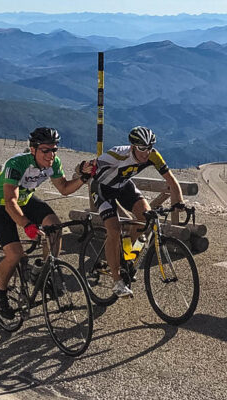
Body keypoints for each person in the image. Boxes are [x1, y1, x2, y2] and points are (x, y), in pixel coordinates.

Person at [0, 126, 88, 319]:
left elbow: (64, 189)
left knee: (55, 228)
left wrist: (83, 178)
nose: (51, 155)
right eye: (45, 150)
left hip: (25, 199)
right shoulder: (16, 164)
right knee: (15, 254)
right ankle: (0, 292)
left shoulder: (53, 163)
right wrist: (27, 225)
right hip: (0, 203)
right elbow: (10, 202)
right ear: (33, 149)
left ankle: (43, 271)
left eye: (54, 149)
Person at [76, 126, 185, 297]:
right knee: (114, 229)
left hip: (124, 186)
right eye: (142, 148)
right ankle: (117, 280)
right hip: (103, 189)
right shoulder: (117, 154)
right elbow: (85, 168)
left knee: (146, 218)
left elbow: (171, 179)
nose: (146, 153)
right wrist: (81, 168)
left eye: (149, 148)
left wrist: (179, 202)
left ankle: (124, 255)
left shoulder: (154, 155)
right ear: (133, 146)